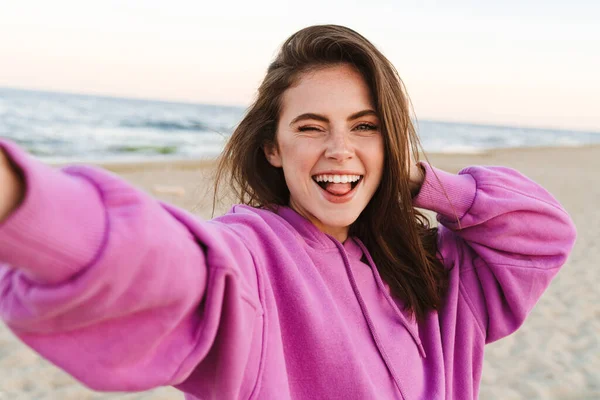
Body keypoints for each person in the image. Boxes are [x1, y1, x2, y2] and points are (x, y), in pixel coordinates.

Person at [0, 25, 576, 400]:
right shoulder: (252, 255)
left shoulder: (435, 271)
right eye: (311, 127)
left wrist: (415, 179)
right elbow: (162, 264)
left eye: (364, 126)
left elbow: (545, 235)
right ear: (272, 148)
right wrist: (22, 202)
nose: (338, 149)